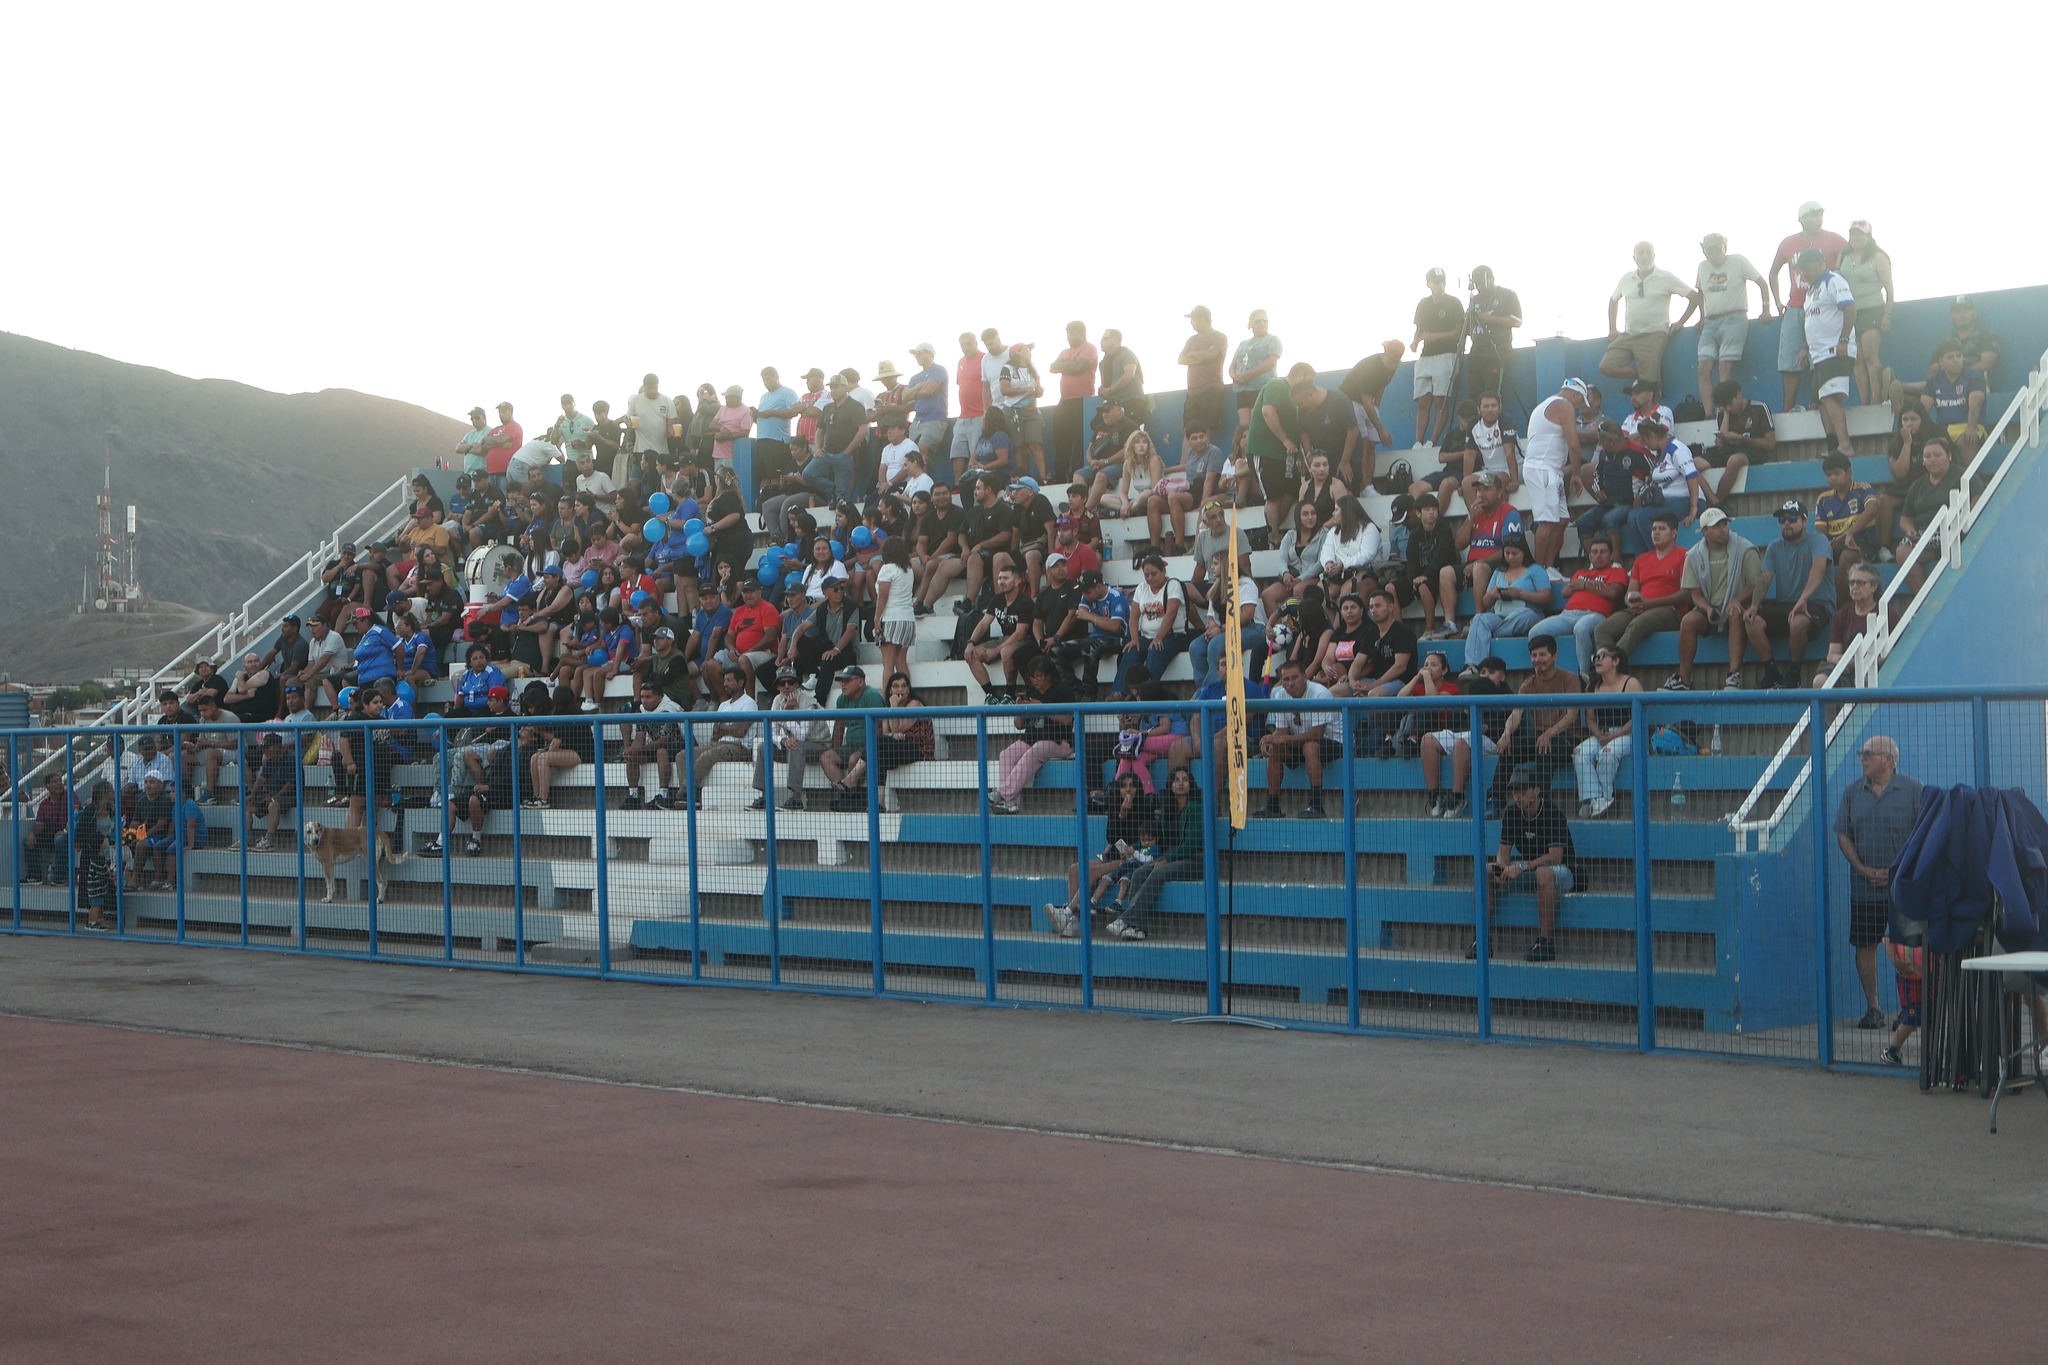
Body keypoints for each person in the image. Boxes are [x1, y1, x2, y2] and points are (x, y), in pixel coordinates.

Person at [1834, 735, 1925, 1029]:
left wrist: (1899, 869)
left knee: (1907, 947)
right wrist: (1861, 868)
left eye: (1868, 754)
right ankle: (1873, 1008)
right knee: (1865, 945)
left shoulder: (1914, 791)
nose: (1862, 758)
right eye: (1862, 753)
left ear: (1888, 759)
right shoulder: (1852, 793)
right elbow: (1843, 835)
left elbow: (1923, 835)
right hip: (1865, 888)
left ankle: (1909, 1009)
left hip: (1904, 887)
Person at [1469, 765, 1577, 963]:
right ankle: (1481, 940)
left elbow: (1555, 858)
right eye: (1515, 792)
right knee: (1485, 871)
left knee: (1544, 873)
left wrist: (1522, 866)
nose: (1518, 796)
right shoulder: (1511, 814)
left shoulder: (1553, 813)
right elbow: (1502, 853)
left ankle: (1545, 943)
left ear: (1536, 790)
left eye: (1523, 791)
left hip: (1562, 873)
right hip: (1528, 871)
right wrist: (1502, 867)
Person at [1481, 635, 1581, 819]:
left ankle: (1542, 804)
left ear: (1555, 656)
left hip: (1567, 737)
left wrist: (1549, 733)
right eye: (1534, 655)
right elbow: (1516, 713)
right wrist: (1506, 733)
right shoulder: (1528, 683)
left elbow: (1572, 715)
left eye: (1542, 654)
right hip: (1539, 737)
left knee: (1545, 748)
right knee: (1509, 749)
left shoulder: (1570, 679)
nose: (1537, 659)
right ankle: (1495, 799)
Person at [1046, 772, 1156, 938]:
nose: (1128, 790)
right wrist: (1121, 814)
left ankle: (1069, 913)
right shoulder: (1115, 806)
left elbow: (1141, 840)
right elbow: (1111, 837)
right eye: (1124, 786)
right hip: (1113, 855)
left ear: (1137, 789)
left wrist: (1130, 813)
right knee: (1074, 870)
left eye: (1132, 786)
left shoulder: (1143, 808)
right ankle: (1074, 922)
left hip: (1129, 859)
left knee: (1090, 872)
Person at [1103, 767, 1204, 941]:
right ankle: (1138, 927)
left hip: (1194, 861)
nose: (1180, 783)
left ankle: (1126, 918)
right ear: (1170, 785)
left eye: (1185, 779)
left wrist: (1166, 859)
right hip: (1171, 858)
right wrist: (1132, 848)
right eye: (1176, 780)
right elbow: (1156, 835)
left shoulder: (1195, 808)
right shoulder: (1168, 809)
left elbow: (1192, 844)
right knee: (1139, 872)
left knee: (1157, 872)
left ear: (1191, 784)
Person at [1665, 507, 1761, 690]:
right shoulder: (1693, 555)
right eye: (1716, 526)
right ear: (1704, 531)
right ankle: (1684, 679)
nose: (1723, 529)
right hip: (1710, 607)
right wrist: (1708, 609)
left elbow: (1756, 585)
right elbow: (1695, 594)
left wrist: (1737, 600)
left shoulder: (1746, 549)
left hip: (1738, 606)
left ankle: (1734, 675)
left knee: (1734, 612)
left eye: (1724, 524)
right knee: (1688, 621)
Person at [1746, 500, 1836, 690]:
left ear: (1804, 522)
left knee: (1797, 622)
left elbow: (1819, 568)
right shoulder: (1774, 546)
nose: (1786, 523)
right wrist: (1754, 605)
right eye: (1782, 519)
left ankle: (1794, 675)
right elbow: (1765, 578)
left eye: (1792, 518)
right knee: (1751, 620)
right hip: (1786, 605)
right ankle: (1772, 673)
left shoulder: (1818, 540)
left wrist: (1803, 599)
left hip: (1817, 604)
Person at [1421, 655, 1511, 819]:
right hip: (1463, 733)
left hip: (1489, 740)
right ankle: (1435, 795)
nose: (1486, 675)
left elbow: (1507, 726)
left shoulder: (1508, 696)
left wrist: (1487, 728)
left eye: (1492, 672)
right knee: (1428, 739)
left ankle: (1457, 797)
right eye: (1483, 672)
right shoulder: (1474, 689)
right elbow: (1452, 723)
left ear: (1503, 676)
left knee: (1462, 742)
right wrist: (1464, 714)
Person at [1691, 234, 1771, 417]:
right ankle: (1708, 412)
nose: (1713, 253)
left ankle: (1723, 410)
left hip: (1734, 317)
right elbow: (1700, 293)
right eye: (1709, 250)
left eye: (1717, 248)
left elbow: (1762, 283)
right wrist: (1702, 316)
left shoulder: (1738, 261)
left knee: (1724, 367)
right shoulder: (1702, 267)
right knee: (1703, 367)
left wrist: (1766, 309)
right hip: (1711, 321)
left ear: (1724, 247)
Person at [1601, 242, 1699, 388]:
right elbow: (1613, 301)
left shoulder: (1665, 277)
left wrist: (1681, 322)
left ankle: (1653, 402)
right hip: (1629, 335)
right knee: (1606, 366)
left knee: (1649, 385)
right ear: (1634, 258)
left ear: (1654, 256)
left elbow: (1695, 297)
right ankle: (1643, 373)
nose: (1645, 256)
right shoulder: (1627, 278)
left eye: (1648, 252)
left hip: (1654, 334)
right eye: (1641, 253)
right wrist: (1613, 329)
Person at [1793, 248, 1859, 462]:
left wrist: (1843, 340)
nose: (1803, 273)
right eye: (1800, 270)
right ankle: (1834, 446)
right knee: (1821, 400)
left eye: (1806, 268)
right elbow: (1811, 322)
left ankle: (1845, 445)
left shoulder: (1833, 280)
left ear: (1820, 262)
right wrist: (1805, 348)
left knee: (1830, 397)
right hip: (1818, 355)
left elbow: (1850, 308)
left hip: (1835, 350)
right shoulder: (1811, 290)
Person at [989, 656, 1073, 816]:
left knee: (1036, 749)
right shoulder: (1031, 693)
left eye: (1039, 676)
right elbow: (1019, 725)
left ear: (1049, 675)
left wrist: (1043, 708)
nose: (1035, 680)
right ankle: (1012, 803)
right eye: (1032, 677)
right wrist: (1019, 710)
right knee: (1006, 754)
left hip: (1059, 741)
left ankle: (1002, 793)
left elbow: (1068, 719)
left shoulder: (1063, 691)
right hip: (1031, 738)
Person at [1252, 660, 1335, 819]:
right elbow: (1282, 732)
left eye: (1294, 678)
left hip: (1334, 742)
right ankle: (1273, 805)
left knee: (1310, 747)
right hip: (1302, 741)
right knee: (1274, 749)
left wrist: (1281, 738)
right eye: (1286, 679)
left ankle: (1317, 805)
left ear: (1305, 677)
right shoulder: (1279, 695)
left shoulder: (1320, 693)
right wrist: (1270, 740)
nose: (1290, 683)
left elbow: (1317, 734)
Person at [1531, 534, 1626, 671]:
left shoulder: (1617, 572)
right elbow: (1565, 592)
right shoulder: (1580, 572)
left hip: (1595, 615)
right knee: (1535, 632)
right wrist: (1593, 586)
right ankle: (1541, 673)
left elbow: (1613, 593)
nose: (1598, 555)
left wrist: (1583, 585)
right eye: (1594, 552)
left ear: (1611, 555)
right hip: (1567, 615)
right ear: (1590, 556)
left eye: (1603, 551)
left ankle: (1585, 674)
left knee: (1580, 628)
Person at [1521, 378, 1588, 567]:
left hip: (1550, 469)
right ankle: (1538, 570)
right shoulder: (1564, 405)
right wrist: (1576, 474)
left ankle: (1548, 567)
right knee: (1548, 522)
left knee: (1562, 520)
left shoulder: (1546, 403)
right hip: (1542, 469)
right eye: (1580, 401)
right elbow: (1574, 445)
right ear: (1575, 395)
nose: (1578, 407)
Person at [1572, 646, 1642, 818]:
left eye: (1602, 656)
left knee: (1607, 753)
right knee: (1579, 751)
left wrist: (1614, 736)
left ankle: (1605, 797)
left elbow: (1637, 717)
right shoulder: (1593, 687)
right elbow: (1590, 718)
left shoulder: (1631, 683)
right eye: (1594, 656)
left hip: (1628, 734)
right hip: (1602, 735)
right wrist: (1599, 735)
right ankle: (1594, 799)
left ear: (1616, 661)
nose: (1597, 659)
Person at [1248, 363, 1317, 535]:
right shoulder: (1277, 385)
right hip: (1265, 452)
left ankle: (1271, 532)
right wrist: (1285, 440)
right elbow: (1268, 412)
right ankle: (1273, 537)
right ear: (1300, 375)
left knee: (1292, 491)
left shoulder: (1294, 398)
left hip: (1286, 456)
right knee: (1273, 495)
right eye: (1308, 382)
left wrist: (1300, 456)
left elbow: (1296, 429)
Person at [1464, 537, 1551, 672]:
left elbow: (1546, 597)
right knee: (1479, 618)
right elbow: (1485, 602)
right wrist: (1491, 594)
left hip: (1528, 614)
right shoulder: (1499, 572)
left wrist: (1520, 594)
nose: (1510, 557)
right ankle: (1473, 666)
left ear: (1524, 553)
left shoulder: (1535, 569)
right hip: (1500, 615)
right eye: (1507, 553)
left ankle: (1486, 634)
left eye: (1515, 554)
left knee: (1524, 615)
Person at [1837, 221, 1894, 407]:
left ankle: (1877, 396)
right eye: (1853, 234)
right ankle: (1864, 400)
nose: (1856, 238)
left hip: (1872, 309)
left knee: (1871, 356)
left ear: (1869, 237)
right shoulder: (1844, 256)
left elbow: (1889, 289)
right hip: (1850, 311)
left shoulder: (1878, 257)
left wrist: (1887, 315)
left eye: (1861, 234)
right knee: (1856, 359)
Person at [1626, 420, 1703, 555]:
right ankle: (1642, 561)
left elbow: (1692, 476)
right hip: (1667, 500)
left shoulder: (1677, 449)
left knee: (1644, 517)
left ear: (1651, 435)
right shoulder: (1659, 454)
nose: (1645, 445)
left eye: (1645, 440)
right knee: (1633, 516)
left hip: (1686, 499)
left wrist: (1693, 507)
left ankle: (1659, 558)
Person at [1407, 268, 1465, 446]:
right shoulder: (1423, 304)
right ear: (1428, 284)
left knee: (1441, 399)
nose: (1438, 285)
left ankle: (1432, 441)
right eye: (1435, 282)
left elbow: (1460, 332)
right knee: (1423, 400)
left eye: (1441, 281)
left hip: (1447, 354)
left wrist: (1436, 336)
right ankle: (1418, 442)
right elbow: (1420, 328)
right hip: (1426, 356)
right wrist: (1415, 341)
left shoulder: (1454, 302)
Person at [1189, 551, 1266, 684]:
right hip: (1225, 629)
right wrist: (1212, 628)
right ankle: (1202, 690)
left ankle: (1214, 689)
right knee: (1196, 647)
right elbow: (1211, 616)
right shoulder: (1216, 586)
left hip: (1252, 628)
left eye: (1216, 564)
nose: (1212, 567)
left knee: (1217, 644)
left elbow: (1247, 615)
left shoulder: (1245, 584)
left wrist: (1222, 629)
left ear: (1225, 565)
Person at [1812, 452, 1879, 602]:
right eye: (1828, 475)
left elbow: (1873, 509)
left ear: (1849, 472)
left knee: (1847, 556)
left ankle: (1837, 605)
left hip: (1862, 545)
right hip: (1836, 547)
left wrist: (1848, 534)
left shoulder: (1863, 489)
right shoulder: (1823, 499)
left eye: (1837, 473)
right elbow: (1821, 532)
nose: (1832, 478)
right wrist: (1829, 544)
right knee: (1809, 556)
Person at [1574, 421, 1652, 550]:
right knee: (1583, 523)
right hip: (1607, 502)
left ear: (1611, 441)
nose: (1600, 445)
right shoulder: (1604, 454)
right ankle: (1595, 563)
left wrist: (1641, 496)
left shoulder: (1638, 452)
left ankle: (1616, 562)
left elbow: (1653, 476)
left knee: (1609, 519)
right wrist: (1598, 490)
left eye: (1602, 441)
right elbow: (1597, 475)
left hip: (1629, 502)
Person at [1698, 381, 1776, 508]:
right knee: (1692, 465)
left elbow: (1770, 443)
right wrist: (1726, 415)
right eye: (1724, 406)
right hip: (1727, 450)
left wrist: (1741, 439)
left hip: (1752, 450)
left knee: (1734, 460)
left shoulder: (1759, 408)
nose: (1728, 408)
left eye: (1730, 404)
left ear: (1739, 395)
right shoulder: (1723, 411)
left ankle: (1717, 502)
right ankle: (1715, 502)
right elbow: (1720, 445)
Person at [1819, 563, 1899, 683]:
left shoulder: (1888, 614)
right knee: (1819, 681)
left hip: (1875, 667)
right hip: (1845, 668)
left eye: (1860, 583)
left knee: (1865, 681)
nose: (1854, 587)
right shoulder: (1842, 615)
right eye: (1852, 583)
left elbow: (1895, 653)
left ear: (1874, 586)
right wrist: (1839, 659)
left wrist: (1861, 663)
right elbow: (1832, 654)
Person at [1918, 337, 1989, 463]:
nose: (1956, 360)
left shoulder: (1975, 377)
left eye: (1959, 356)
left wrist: (1971, 427)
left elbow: (1975, 405)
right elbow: (1922, 409)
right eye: (1950, 357)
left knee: (1968, 441)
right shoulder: (1934, 380)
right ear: (1941, 361)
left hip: (1969, 426)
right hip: (1943, 430)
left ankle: (1969, 480)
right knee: (1932, 446)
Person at [1463, 265, 1522, 412]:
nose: (1480, 287)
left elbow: (1517, 321)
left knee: (1492, 394)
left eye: (1482, 283)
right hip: (1476, 352)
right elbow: (1468, 328)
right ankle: (1476, 429)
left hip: (1498, 350)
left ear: (1492, 279)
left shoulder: (1507, 295)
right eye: (1477, 284)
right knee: (1474, 395)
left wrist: (1490, 319)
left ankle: (1494, 428)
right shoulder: (1474, 300)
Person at [1404, 493, 1461, 641]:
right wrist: (1412, 580)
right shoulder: (1415, 535)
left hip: (1440, 575)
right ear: (1418, 513)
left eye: (1434, 509)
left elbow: (1442, 557)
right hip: (1421, 575)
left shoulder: (1444, 530)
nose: (1432, 512)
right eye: (1427, 509)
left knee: (1423, 586)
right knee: (1391, 587)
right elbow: (1411, 561)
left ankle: (1428, 630)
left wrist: (1426, 575)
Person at [1045, 324, 1097, 480]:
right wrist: (1069, 365)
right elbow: (1052, 367)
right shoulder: (1065, 352)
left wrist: (1063, 366)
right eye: (1067, 333)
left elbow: (1080, 367)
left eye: (1072, 333)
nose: (1069, 337)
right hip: (1064, 401)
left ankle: (1076, 474)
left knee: (1078, 440)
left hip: (1082, 400)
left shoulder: (1089, 348)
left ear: (1082, 333)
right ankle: (1059, 476)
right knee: (1061, 440)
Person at [1176, 306, 1228, 439]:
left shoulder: (1219, 337)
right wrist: (1202, 356)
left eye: (1192, 319)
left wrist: (1193, 355)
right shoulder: (1192, 340)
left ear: (1202, 320)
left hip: (1211, 388)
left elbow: (1212, 355)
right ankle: (1187, 460)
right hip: (1192, 391)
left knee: (1205, 430)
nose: (1191, 323)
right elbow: (1181, 359)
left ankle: (1205, 460)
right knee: (1189, 430)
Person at [1229, 309, 1284, 434]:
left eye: (1265, 320)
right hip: (1242, 389)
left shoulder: (1272, 340)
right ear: (1250, 325)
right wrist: (1234, 376)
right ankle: (1248, 451)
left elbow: (1271, 362)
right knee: (1244, 427)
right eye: (1258, 321)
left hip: (1261, 387)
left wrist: (1249, 374)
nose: (1262, 323)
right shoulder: (1243, 344)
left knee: (1257, 423)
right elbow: (1233, 365)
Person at [21, 773, 73, 885]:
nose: (59, 783)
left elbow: (77, 815)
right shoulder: (44, 804)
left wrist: (64, 831)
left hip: (68, 834)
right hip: (50, 834)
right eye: (54, 781)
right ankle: (35, 877)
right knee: (27, 841)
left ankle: (60, 877)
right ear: (47, 786)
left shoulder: (70, 796)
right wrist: (32, 833)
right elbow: (39, 825)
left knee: (60, 840)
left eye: (60, 780)